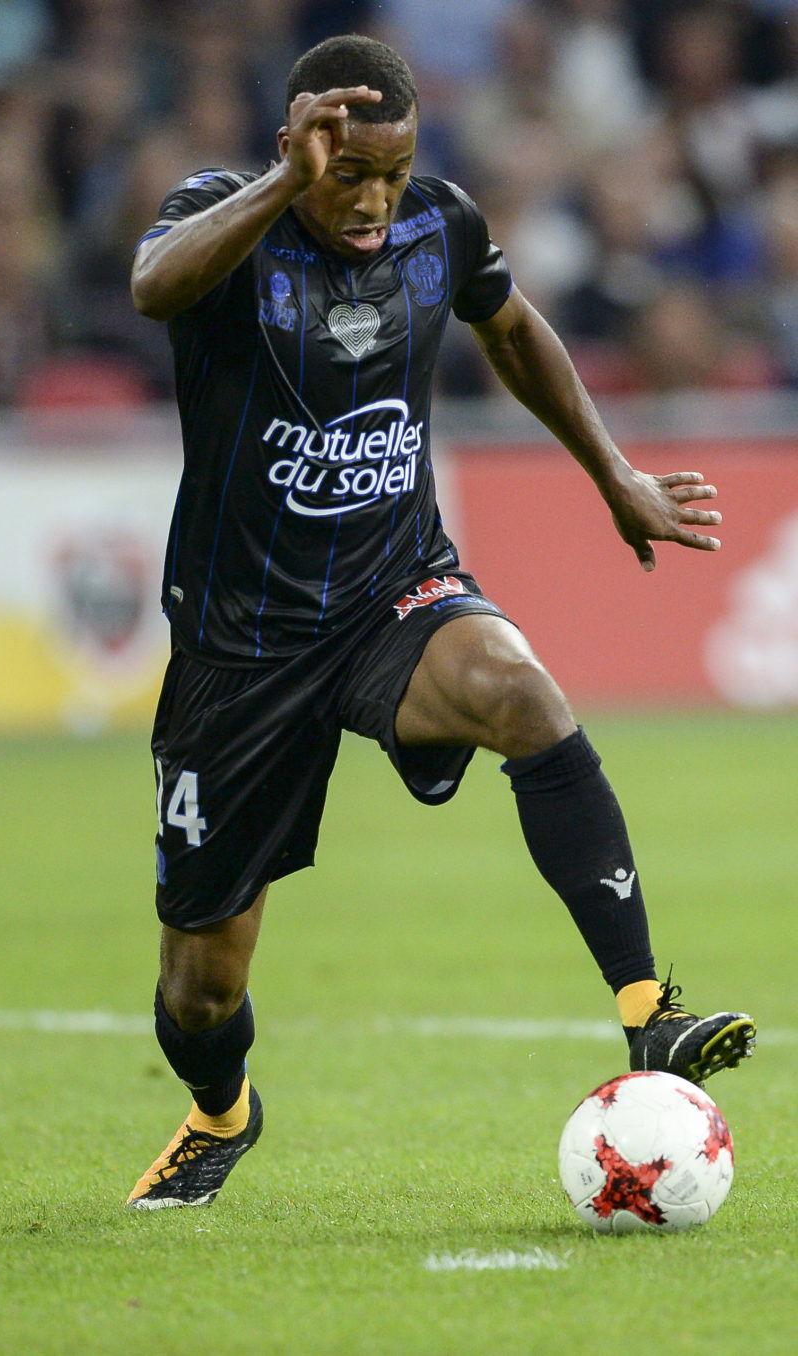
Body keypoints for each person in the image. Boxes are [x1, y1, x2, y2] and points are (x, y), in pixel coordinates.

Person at [125, 34, 755, 1210]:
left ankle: (647, 1018)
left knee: (525, 695)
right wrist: (279, 183)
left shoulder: (441, 226)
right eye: (345, 173)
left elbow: (512, 328)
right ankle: (222, 1111)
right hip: (241, 649)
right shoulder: (225, 213)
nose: (371, 202)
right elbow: (153, 288)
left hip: (391, 588)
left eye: (393, 173)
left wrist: (611, 471)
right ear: (297, 149)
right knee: (200, 992)